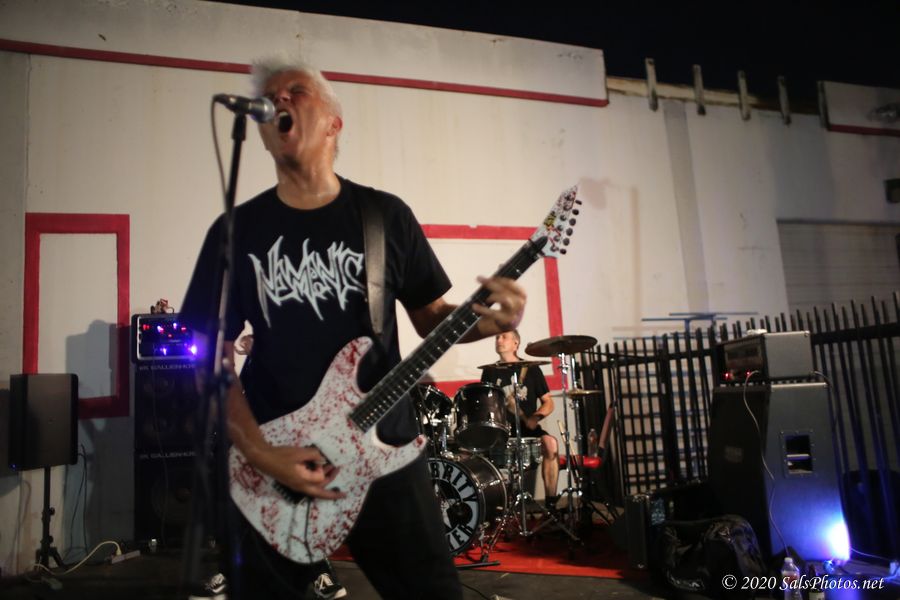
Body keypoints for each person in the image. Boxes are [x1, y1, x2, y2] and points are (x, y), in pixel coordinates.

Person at [180, 55, 526, 599]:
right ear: (263, 132)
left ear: (333, 123)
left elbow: (433, 319)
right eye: (271, 96)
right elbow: (209, 355)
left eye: (296, 90)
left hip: (383, 449)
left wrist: (490, 324)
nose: (280, 99)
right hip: (276, 460)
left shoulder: (385, 217)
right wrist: (260, 451)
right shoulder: (236, 230)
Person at [480, 330, 560, 509]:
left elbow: (548, 402)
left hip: (527, 428)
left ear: (516, 343)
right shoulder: (490, 371)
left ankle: (551, 503)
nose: (499, 340)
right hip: (502, 430)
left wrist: (535, 417)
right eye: (497, 337)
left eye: (504, 337)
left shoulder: (531, 369)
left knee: (551, 444)